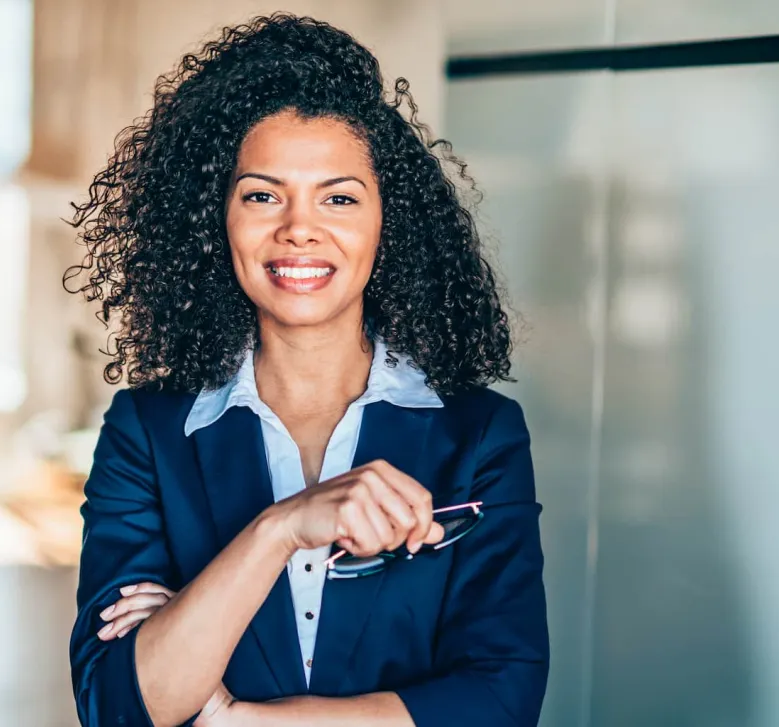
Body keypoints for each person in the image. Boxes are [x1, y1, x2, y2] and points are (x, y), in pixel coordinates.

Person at [65, 13, 548, 727]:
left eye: (339, 197)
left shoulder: (479, 434)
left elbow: (501, 699)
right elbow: (121, 704)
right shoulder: (147, 431)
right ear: (216, 219)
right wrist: (281, 529)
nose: (298, 228)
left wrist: (239, 718)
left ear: (389, 222)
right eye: (262, 195)